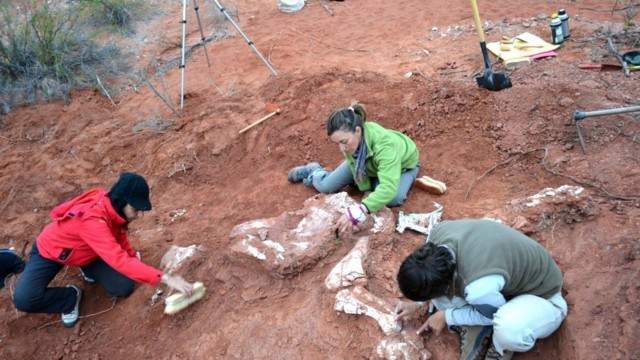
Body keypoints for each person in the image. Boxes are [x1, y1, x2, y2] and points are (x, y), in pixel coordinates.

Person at [13, 172, 194, 328]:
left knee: (123, 286)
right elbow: (119, 259)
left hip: (89, 252)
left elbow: (119, 233)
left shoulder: (111, 205)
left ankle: (86, 267)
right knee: (24, 298)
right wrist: (167, 279)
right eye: (136, 209)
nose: (140, 215)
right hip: (50, 252)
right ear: (122, 202)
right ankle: (69, 298)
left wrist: (132, 257)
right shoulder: (93, 221)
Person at [395, 219, 567, 360]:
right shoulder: (438, 234)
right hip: (500, 275)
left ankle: (501, 349)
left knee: (508, 328)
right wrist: (417, 303)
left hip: (542, 295)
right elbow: (431, 274)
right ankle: (477, 319)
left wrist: (447, 316)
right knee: (445, 301)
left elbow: (492, 314)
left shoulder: (478, 287)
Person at [288, 102, 420, 234]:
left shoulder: (384, 147)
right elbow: (353, 163)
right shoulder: (351, 142)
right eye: (338, 143)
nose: (342, 148)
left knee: (393, 197)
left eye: (344, 142)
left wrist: (361, 210)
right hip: (367, 164)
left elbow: (388, 188)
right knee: (326, 186)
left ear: (358, 130)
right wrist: (365, 188)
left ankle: (385, 180)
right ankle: (314, 171)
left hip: (403, 166)